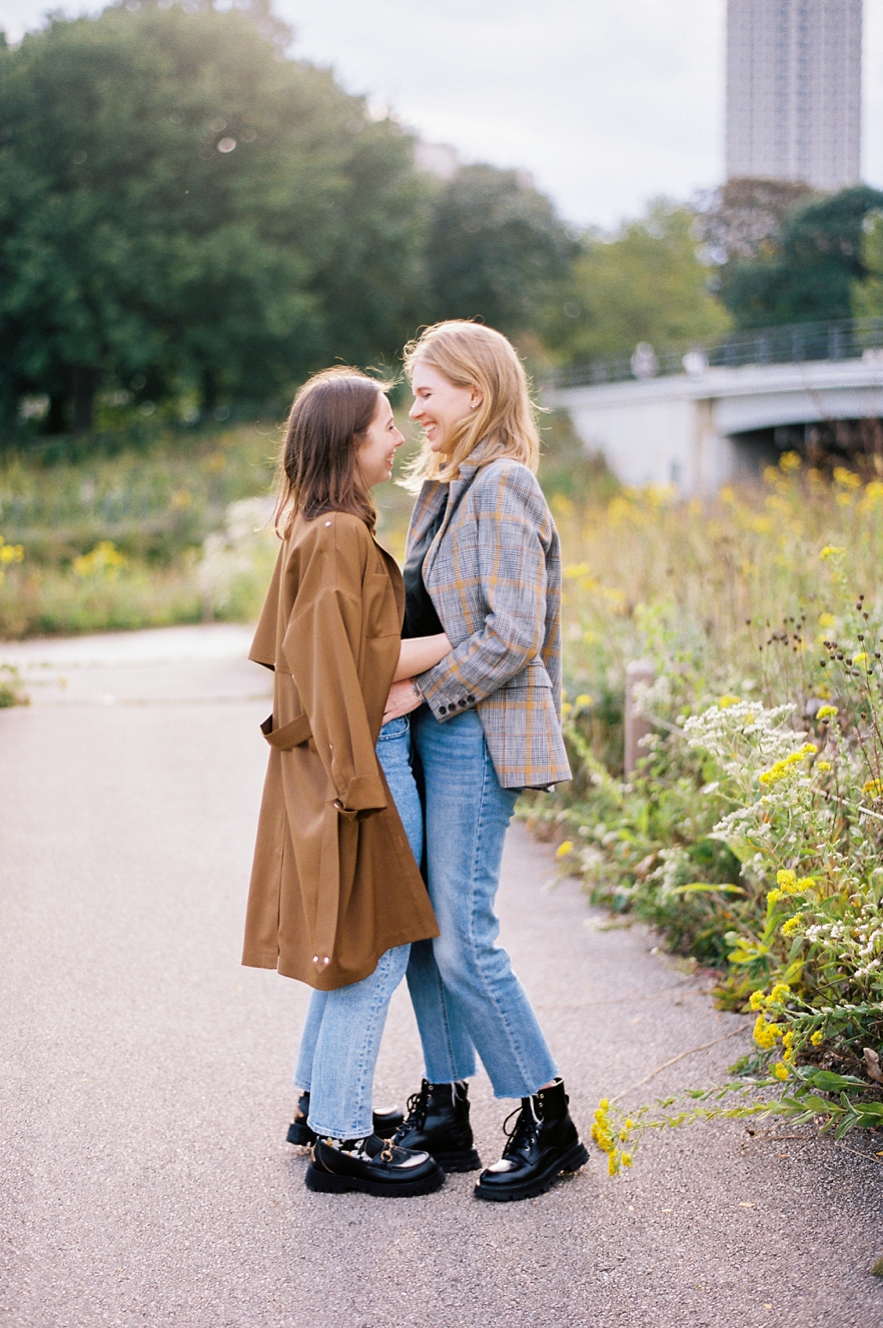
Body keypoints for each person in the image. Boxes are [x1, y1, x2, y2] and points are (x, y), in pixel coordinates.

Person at [383, 320, 590, 1202]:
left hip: (476, 731)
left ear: (476, 390)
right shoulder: (445, 487)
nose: (415, 409)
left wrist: (421, 694)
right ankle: (444, 1105)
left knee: (463, 936)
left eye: (427, 391)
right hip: (440, 729)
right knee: (425, 933)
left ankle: (549, 1119)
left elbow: (515, 631)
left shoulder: (503, 485)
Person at [243, 367, 452, 1198]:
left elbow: (316, 660)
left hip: (349, 760)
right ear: (348, 443)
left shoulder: (320, 528)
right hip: (365, 767)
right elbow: (346, 667)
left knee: (353, 947)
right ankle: (342, 1139)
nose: (399, 437)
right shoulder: (333, 535)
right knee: (377, 949)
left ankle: (318, 1104)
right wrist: (467, 638)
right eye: (385, 426)